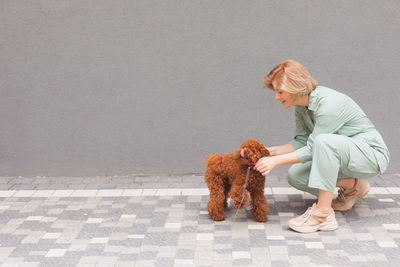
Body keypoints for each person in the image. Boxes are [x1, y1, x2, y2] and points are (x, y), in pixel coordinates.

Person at [254, 60, 390, 233]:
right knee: (296, 175)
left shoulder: (329, 103)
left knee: (323, 141)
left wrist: (275, 162)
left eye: (280, 92)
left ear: (295, 86)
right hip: (344, 157)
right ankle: (353, 187)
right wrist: (268, 152)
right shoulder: (302, 107)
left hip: (371, 155)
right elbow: (302, 141)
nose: (276, 97)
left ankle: (322, 214)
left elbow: (314, 146)